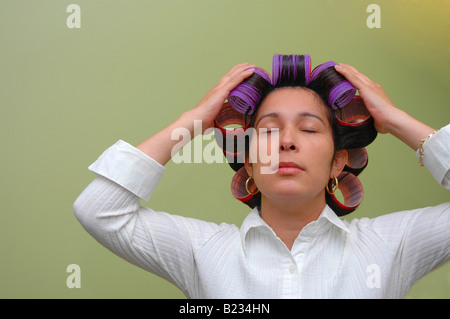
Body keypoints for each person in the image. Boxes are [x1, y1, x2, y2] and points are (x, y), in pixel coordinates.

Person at [73, 55, 449, 298]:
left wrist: (396, 120)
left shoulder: (391, 246)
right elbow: (100, 212)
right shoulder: (203, 251)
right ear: (249, 164)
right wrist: (195, 120)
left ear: (338, 162)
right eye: (268, 131)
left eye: (309, 129)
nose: (286, 142)